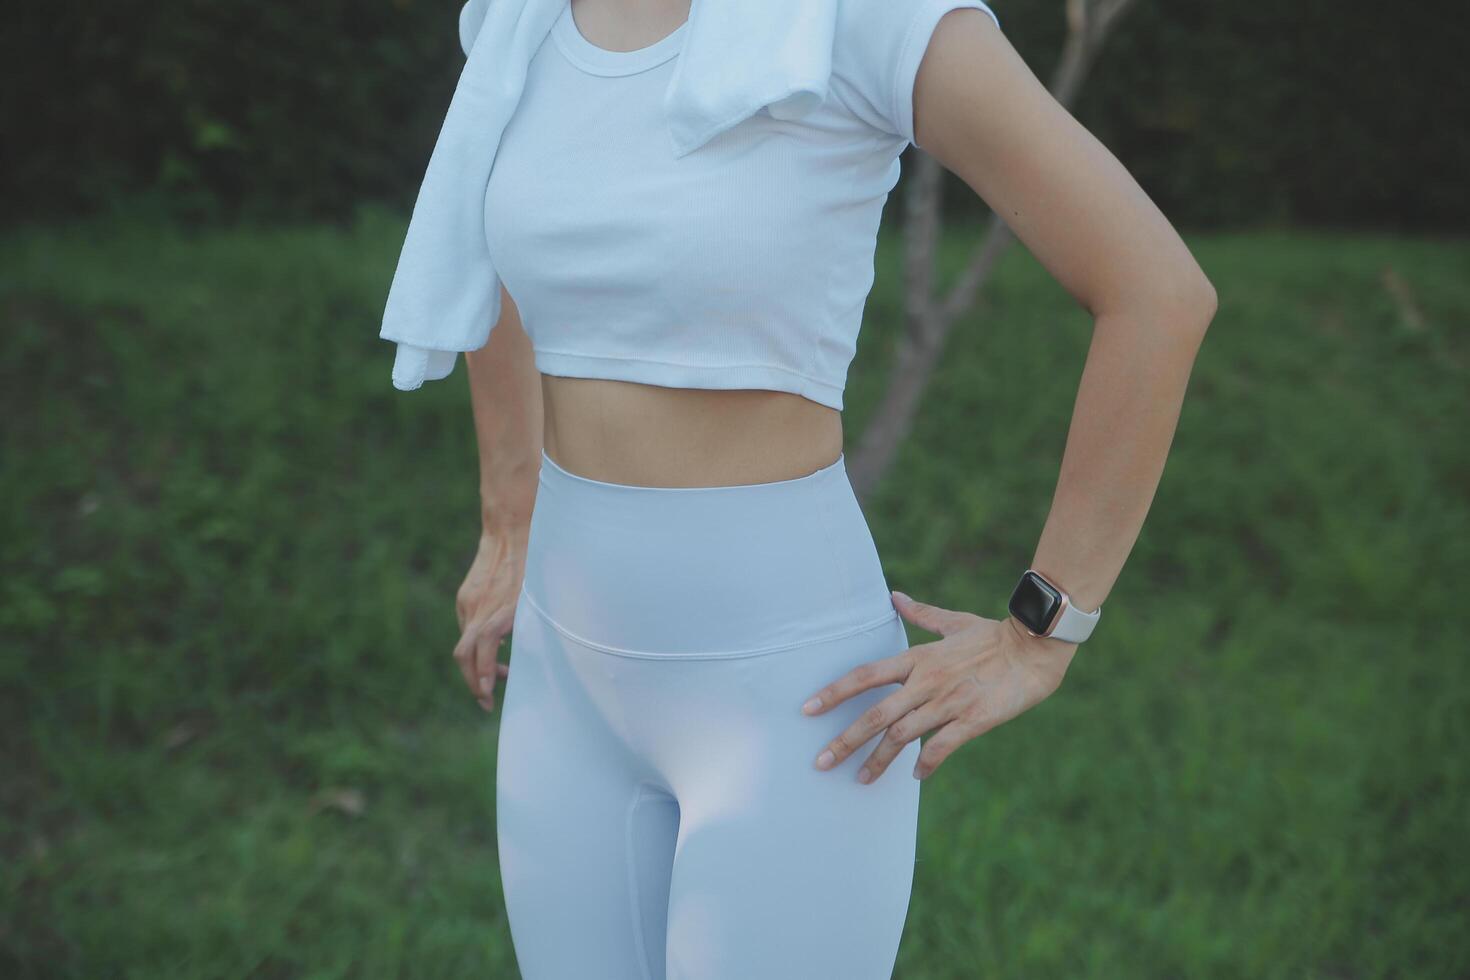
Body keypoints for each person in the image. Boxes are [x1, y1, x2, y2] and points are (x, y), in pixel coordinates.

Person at [429, 0, 1217, 976]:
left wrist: (1038, 634)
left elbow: (1157, 291)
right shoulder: (524, 19)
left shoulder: (862, 18)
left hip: (789, 709)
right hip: (564, 687)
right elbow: (481, 251)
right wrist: (509, 521)